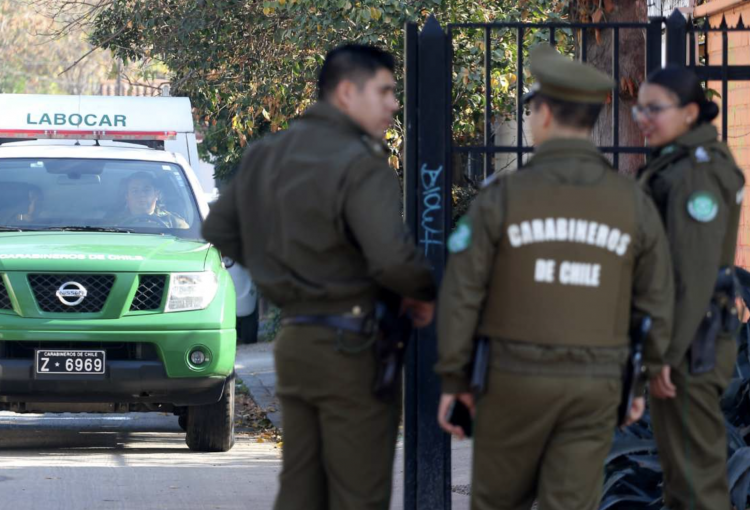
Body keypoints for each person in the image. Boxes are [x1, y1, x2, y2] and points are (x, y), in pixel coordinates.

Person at [435, 45, 674, 510]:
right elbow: (657, 299)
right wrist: (641, 379)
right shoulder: (632, 203)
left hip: (512, 381)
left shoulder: (501, 198)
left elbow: (462, 293)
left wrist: (455, 379)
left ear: (543, 114)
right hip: (595, 385)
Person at [202, 44, 436, 510]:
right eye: (385, 91)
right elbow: (391, 260)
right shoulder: (361, 163)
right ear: (348, 92)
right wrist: (425, 293)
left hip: (296, 339)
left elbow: (217, 228)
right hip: (351, 347)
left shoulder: (268, 153)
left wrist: (276, 274)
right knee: (359, 493)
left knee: (301, 488)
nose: (393, 103)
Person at [635, 66, 745, 510]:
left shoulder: (695, 173)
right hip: (684, 339)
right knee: (682, 477)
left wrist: (663, 351)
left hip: (689, 344)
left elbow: (693, 275)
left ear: (690, 112)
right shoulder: (678, 161)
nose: (642, 116)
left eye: (654, 108)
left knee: (697, 482)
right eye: (639, 106)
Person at [109, 172, 188, 228]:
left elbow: (188, 242)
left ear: (156, 194)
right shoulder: (113, 224)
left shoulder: (173, 223)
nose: (141, 194)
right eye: (135, 191)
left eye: (146, 190)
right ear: (127, 196)